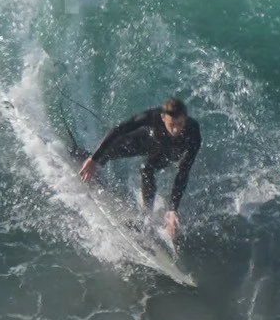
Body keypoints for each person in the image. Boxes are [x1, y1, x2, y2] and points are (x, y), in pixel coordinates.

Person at [81, 97, 202, 245]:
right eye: (172, 124)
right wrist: (94, 158)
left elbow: (184, 172)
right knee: (111, 150)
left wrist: (173, 209)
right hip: (147, 142)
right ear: (163, 118)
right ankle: (90, 166)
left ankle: (147, 218)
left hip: (168, 153)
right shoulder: (153, 116)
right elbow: (120, 128)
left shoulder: (193, 132)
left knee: (146, 169)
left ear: (186, 119)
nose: (176, 129)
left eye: (180, 124)